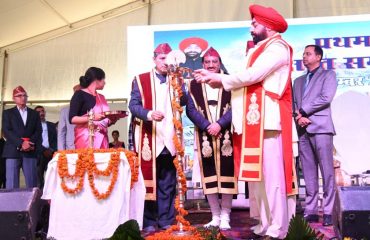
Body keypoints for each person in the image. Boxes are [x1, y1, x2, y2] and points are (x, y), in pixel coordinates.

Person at [194, 4, 294, 239]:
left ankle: (278, 228)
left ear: (268, 27)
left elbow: (252, 76)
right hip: (254, 122)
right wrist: (219, 79)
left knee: (272, 179)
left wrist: (219, 78)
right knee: (257, 180)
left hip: (268, 121)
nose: (251, 28)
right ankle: (264, 223)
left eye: (255, 24)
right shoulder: (259, 49)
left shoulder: (278, 48)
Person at [129, 43, 187, 233]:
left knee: (168, 183)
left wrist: (181, 85)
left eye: (168, 58)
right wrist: (148, 113)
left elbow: (185, 102)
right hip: (148, 137)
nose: (165, 62)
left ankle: (166, 221)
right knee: (146, 182)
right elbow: (133, 105)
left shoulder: (176, 78)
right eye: (162, 58)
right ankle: (148, 221)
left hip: (170, 138)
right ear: (154, 59)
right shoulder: (140, 79)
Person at [186, 47, 237, 230]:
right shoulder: (193, 84)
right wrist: (207, 125)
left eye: (214, 62)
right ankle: (215, 216)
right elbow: (190, 110)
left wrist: (220, 124)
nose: (211, 65)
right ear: (202, 64)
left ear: (219, 62)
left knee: (226, 176)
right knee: (210, 176)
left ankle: (226, 216)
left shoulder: (229, 80)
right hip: (204, 134)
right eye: (207, 62)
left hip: (226, 135)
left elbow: (235, 106)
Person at [293, 45, 337, 226]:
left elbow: (325, 98)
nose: (304, 56)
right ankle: (310, 210)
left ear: (318, 57)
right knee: (309, 173)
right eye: (303, 54)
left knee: (327, 172)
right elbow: (294, 103)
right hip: (303, 129)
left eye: (308, 54)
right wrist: (298, 116)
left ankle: (328, 211)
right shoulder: (298, 81)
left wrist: (303, 111)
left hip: (321, 128)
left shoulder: (328, 75)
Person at [2, 86, 42, 189]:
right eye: (19, 96)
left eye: (24, 95)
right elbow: (7, 130)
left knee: (32, 183)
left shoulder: (34, 114)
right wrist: (21, 143)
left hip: (30, 151)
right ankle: (12, 205)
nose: (22, 98)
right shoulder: (8, 113)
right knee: (11, 184)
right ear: (13, 98)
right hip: (12, 151)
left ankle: (32, 204)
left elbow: (38, 131)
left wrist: (29, 143)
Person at [69, 67, 118, 149]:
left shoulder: (102, 97)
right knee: (88, 161)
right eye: (103, 79)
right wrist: (92, 117)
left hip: (103, 137)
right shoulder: (79, 94)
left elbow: (103, 121)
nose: (105, 82)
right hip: (86, 138)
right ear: (96, 79)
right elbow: (72, 119)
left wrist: (112, 120)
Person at [34, 106, 57, 189]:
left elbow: (55, 139)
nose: (41, 113)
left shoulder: (51, 125)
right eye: (38, 112)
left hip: (50, 154)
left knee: (51, 177)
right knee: (38, 180)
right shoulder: (32, 126)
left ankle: (49, 199)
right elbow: (34, 140)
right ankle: (38, 199)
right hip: (38, 154)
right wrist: (43, 150)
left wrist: (51, 150)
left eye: (43, 111)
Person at [58, 84, 81, 150]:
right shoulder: (65, 111)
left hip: (88, 147)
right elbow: (61, 132)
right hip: (71, 148)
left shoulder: (91, 109)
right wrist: (61, 152)